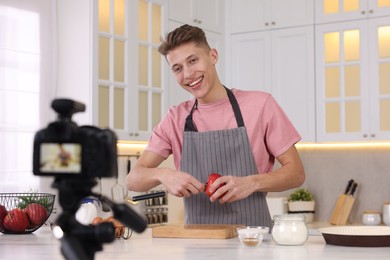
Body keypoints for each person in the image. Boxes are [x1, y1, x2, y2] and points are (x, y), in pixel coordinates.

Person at [126, 24, 305, 227]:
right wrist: (163, 175)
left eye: (193, 61)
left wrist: (252, 182)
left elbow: (296, 173)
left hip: (254, 241)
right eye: (177, 68)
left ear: (213, 56)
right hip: (198, 243)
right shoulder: (175, 118)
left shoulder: (260, 105)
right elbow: (133, 179)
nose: (187, 74)